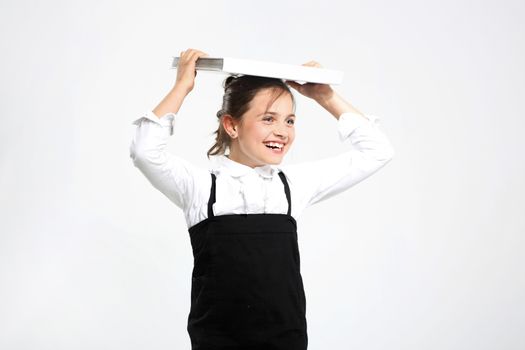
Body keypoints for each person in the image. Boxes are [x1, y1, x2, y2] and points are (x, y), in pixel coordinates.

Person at [129, 48, 395, 350]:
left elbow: (378, 151)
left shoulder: (292, 187)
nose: (282, 132)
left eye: (290, 121)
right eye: (269, 119)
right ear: (231, 125)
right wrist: (182, 87)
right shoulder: (202, 187)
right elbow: (144, 152)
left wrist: (325, 97)